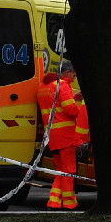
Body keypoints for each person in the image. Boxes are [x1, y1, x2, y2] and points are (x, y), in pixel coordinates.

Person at [41, 57, 89, 210]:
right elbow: (71, 111)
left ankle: (54, 202)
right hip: (66, 136)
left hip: (54, 136)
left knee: (60, 171)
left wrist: (73, 98)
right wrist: (80, 103)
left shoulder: (48, 86)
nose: (74, 78)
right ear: (68, 72)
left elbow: (58, 107)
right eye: (74, 75)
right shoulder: (64, 86)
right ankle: (69, 204)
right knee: (69, 171)